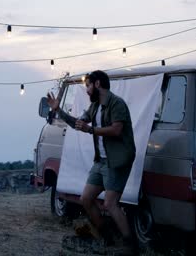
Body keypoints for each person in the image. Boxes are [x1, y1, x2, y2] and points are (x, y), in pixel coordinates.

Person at [47, 70, 136, 250]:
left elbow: (116, 130)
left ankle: (130, 246)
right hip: (101, 161)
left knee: (110, 204)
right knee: (86, 199)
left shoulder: (117, 103)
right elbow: (77, 123)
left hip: (116, 161)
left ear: (97, 84)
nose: (86, 90)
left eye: (87, 85)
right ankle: (108, 237)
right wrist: (58, 110)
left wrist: (91, 130)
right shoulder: (94, 107)